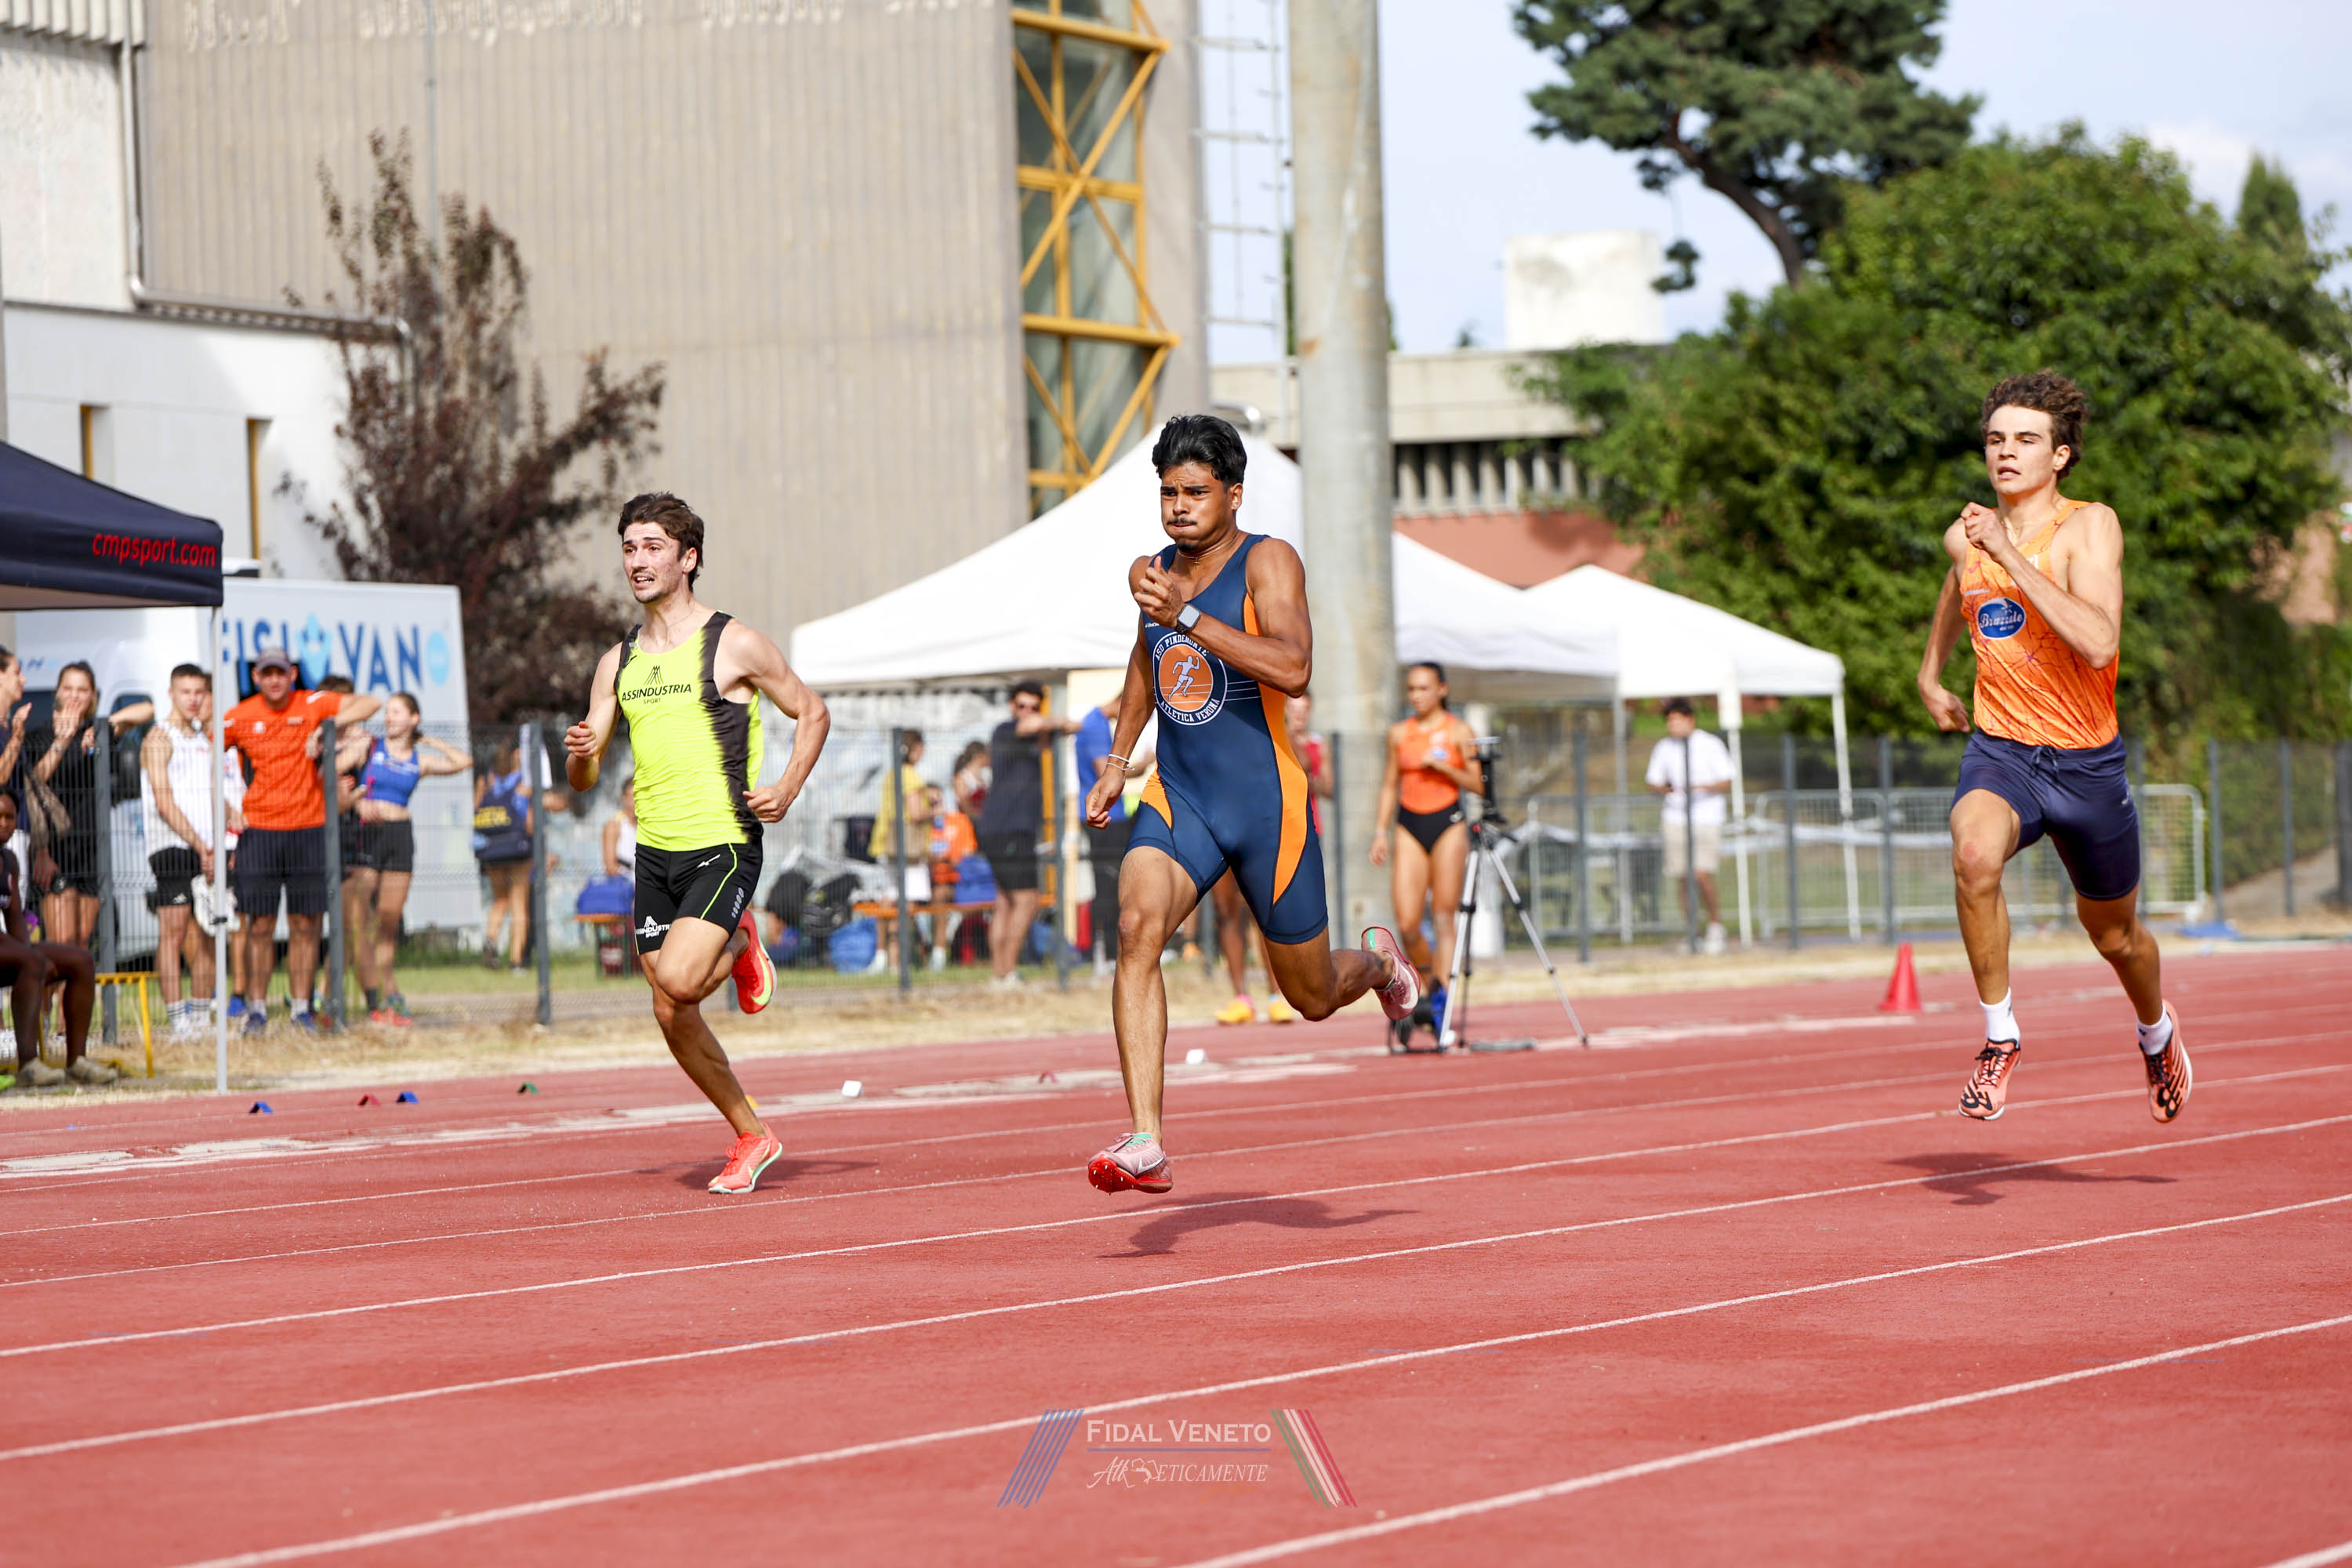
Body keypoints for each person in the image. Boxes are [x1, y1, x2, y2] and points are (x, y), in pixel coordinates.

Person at [1082, 414, 1419, 1194]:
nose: (1178, 507)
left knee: (1311, 997)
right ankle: (1147, 1140)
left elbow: (1295, 669)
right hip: (1182, 795)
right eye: (1168, 492)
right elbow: (1146, 661)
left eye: (1195, 492)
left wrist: (1189, 615)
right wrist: (1117, 761)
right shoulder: (1153, 572)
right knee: (1135, 928)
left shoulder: (1268, 560)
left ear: (1233, 494)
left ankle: (1377, 963)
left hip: (1268, 806)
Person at [1917, 369, 2189, 1123]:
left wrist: (2009, 554)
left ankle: (2156, 1032)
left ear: (2060, 455)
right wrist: (1930, 673)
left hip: (2086, 764)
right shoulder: (1967, 536)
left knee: (2115, 935)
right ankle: (2000, 1036)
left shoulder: (2089, 527)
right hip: (2004, 750)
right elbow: (1957, 584)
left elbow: (2100, 643)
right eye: (1995, 439)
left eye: (2026, 440)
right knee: (1973, 853)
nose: (2006, 452)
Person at [564, 491, 830, 1196]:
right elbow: (584, 775)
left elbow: (811, 711)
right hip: (655, 854)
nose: (638, 560)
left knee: (681, 981)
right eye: (629, 548)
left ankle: (741, 941)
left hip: (723, 841)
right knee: (668, 1007)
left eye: (653, 547)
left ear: (689, 559)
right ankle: (752, 1134)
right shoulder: (616, 662)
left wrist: (787, 788)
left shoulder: (732, 643)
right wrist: (583, 752)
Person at [223, 647, 380, 1032]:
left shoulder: (311, 703)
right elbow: (205, 755)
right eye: (266, 673)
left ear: (293, 674)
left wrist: (326, 727)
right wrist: (227, 807)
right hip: (260, 830)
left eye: (281, 672)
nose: (274, 680)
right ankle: (256, 1010)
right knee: (259, 926)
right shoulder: (240, 715)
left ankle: (301, 1010)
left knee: (306, 925)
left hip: (308, 829)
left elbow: (371, 703)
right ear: (256, 678)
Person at [350, 693, 470, 1024]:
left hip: (400, 836)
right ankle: (356, 993)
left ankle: (388, 992)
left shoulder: (420, 760)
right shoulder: (370, 747)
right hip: (369, 835)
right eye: (387, 712)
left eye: (397, 712)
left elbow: (463, 762)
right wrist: (358, 802)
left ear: (414, 718)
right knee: (359, 920)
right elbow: (339, 776)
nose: (389, 717)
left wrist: (429, 740)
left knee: (388, 923)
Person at [1371, 662, 1481, 1022]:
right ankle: (1427, 979)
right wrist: (1380, 831)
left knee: (1444, 915)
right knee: (1407, 922)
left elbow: (1479, 784)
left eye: (1424, 688)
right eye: (1412, 689)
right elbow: (1390, 784)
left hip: (1447, 821)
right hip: (1409, 823)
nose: (1416, 696)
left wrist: (1444, 768)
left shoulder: (1458, 730)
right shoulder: (1399, 733)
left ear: (1442, 690)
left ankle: (1442, 996)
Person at [25, 662, 150, 950]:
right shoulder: (40, 735)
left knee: (82, 941)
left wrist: (104, 725)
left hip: (91, 848)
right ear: (57, 692)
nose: (74, 696)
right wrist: (63, 740)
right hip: (55, 848)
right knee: (61, 941)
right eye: (68, 688)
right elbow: (34, 779)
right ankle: (50, 984)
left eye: (82, 690)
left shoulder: (97, 732)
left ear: (93, 695)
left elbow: (146, 710)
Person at [140, 663, 227, 1037]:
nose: (192, 699)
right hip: (173, 845)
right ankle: (178, 1021)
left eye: (198, 692)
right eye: (185, 691)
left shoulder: (203, 739)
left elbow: (216, 796)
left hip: (207, 848)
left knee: (207, 932)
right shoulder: (160, 737)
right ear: (171, 693)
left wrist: (218, 843)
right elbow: (164, 802)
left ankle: (201, 1018)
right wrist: (198, 844)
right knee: (172, 932)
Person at [975, 681, 1079, 986]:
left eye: (1034, 707)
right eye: (1022, 706)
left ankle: (1000, 974)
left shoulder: (1033, 739)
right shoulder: (1006, 730)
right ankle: (1007, 972)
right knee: (1027, 900)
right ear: (1012, 706)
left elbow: (1049, 736)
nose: (1028, 712)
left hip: (1006, 829)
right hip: (1010, 830)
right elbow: (1032, 726)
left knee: (1005, 902)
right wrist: (1059, 721)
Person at [0, 791, 107, 1086]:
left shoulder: (9, 860)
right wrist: (30, 959)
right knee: (32, 960)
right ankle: (28, 1065)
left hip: (5, 948)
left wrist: (29, 955)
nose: (4, 823)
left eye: (10, 817)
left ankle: (77, 1062)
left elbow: (15, 919)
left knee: (81, 961)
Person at [1645, 697, 1734, 956]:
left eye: (1677, 720)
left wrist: (1699, 787)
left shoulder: (1710, 744)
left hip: (1706, 817)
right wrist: (1668, 788)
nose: (1672, 725)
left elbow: (1726, 780)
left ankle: (1715, 927)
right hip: (1675, 818)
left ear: (1690, 720)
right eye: (1669, 721)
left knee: (1701, 874)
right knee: (1683, 877)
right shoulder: (1664, 747)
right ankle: (1692, 931)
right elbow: (1654, 781)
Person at [1076, 695, 1153, 978]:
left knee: (1111, 886)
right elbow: (1105, 772)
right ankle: (1106, 954)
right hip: (1108, 817)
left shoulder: (1094, 722)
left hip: (1108, 815)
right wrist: (1142, 765)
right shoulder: (1096, 725)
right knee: (1110, 888)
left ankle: (1108, 953)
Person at [869, 731, 931, 972]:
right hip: (909, 850)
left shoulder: (891, 774)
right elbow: (915, 813)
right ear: (915, 749)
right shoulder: (911, 776)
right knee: (906, 904)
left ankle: (882, 956)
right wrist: (935, 809)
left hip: (886, 844)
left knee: (888, 899)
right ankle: (900, 961)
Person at [474, 742, 535, 971]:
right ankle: (517, 960)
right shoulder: (523, 784)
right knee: (519, 903)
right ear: (515, 756)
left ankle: (491, 938)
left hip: (492, 849)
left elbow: (476, 810)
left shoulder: (486, 782)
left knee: (500, 899)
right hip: (517, 849)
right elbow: (530, 822)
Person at [602, 775, 639, 878]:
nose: (634, 802)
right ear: (623, 797)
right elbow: (610, 866)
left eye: (637, 797)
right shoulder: (614, 825)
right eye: (631, 797)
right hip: (625, 884)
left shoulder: (644, 825)